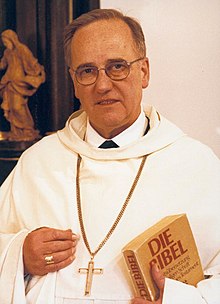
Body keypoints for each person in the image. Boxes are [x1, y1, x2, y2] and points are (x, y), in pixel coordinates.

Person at [0, 8, 219, 304]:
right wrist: (19, 255)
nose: (103, 85)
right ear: (74, 82)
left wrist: (180, 301)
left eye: (117, 66)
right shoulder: (38, 163)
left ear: (144, 71)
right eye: (87, 71)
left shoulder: (196, 165)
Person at [0, 29, 45, 141]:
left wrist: (38, 71)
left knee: (17, 107)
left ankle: (27, 130)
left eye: (6, 41)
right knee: (11, 108)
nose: (5, 44)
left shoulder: (21, 49)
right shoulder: (7, 52)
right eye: (4, 42)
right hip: (9, 82)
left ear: (12, 39)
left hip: (19, 83)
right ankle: (16, 132)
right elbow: (3, 65)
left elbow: (31, 62)